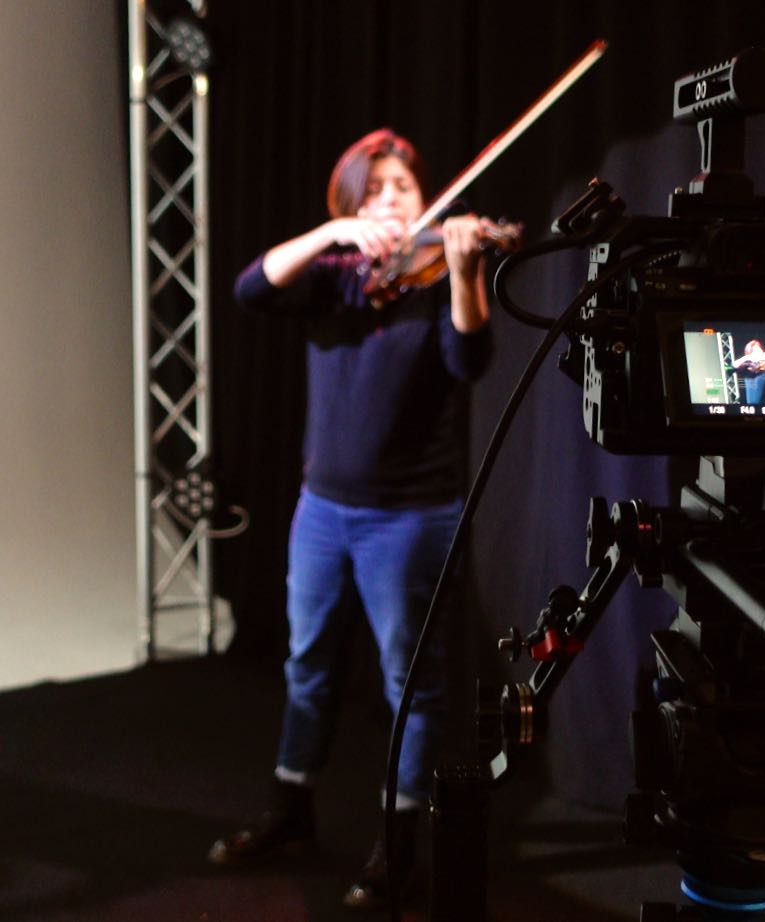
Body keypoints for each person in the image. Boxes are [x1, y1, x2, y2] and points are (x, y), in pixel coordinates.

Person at [207, 128, 493, 909]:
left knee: (410, 684)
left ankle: (399, 846)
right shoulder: (331, 279)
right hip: (322, 512)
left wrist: (465, 271)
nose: (390, 201)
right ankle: (291, 808)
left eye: (402, 187)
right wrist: (332, 234)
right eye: (372, 191)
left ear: (423, 195)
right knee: (307, 664)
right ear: (349, 204)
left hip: (409, 518)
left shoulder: (436, 279)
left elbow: (469, 361)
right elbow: (249, 289)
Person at [733, 338, 765, 405]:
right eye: (757, 351)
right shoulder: (748, 368)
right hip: (750, 408)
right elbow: (734, 366)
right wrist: (748, 357)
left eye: (761, 350)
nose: (761, 352)